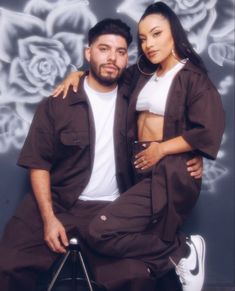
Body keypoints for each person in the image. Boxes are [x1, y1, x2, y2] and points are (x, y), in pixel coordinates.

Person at [0, 18, 203, 291]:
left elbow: (176, 120)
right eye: (104, 49)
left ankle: (180, 253)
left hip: (113, 211)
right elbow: (38, 163)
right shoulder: (58, 104)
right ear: (88, 53)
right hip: (58, 202)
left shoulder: (138, 97)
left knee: (134, 277)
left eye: (120, 52)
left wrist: (194, 152)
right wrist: (49, 219)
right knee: (9, 265)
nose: (112, 58)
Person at [53, 2, 225, 291]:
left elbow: (207, 128)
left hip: (170, 170)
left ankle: (182, 250)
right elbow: (108, 70)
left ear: (174, 33)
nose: (148, 44)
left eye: (156, 34)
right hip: (142, 170)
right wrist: (77, 74)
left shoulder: (193, 77)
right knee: (132, 235)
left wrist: (163, 149)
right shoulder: (144, 74)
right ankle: (178, 257)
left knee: (98, 231)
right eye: (143, 38)